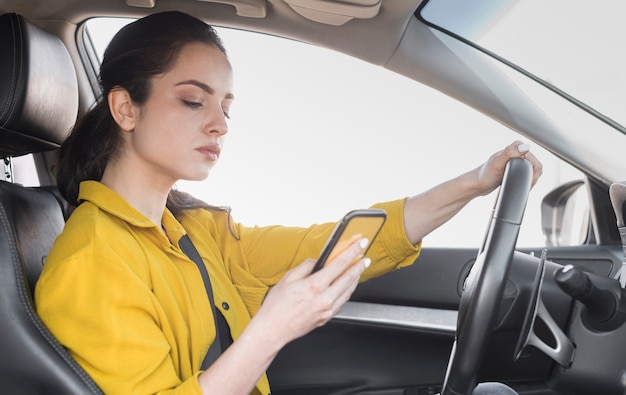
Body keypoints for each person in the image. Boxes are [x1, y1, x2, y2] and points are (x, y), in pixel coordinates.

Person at [34, 11, 542, 395]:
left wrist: (475, 182)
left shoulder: (194, 232)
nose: (219, 124)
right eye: (194, 100)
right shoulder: (91, 263)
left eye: (226, 108)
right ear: (126, 108)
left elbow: (338, 242)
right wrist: (272, 329)